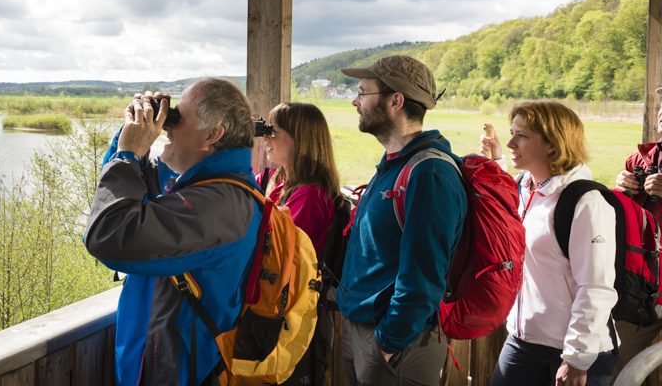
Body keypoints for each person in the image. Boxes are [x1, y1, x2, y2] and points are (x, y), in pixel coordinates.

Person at [84, 78, 261, 386]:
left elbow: (109, 234)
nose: (168, 125)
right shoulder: (206, 187)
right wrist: (130, 137)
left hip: (179, 374)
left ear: (213, 135)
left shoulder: (219, 207)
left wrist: (127, 154)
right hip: (159, 364)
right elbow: (122, 196)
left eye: (178, 117)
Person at [336, 55, 467, 386]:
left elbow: (424, 275)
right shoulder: (395, 164)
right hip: (368, 331)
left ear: (395, 101)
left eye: (363, 92)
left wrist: (387, 343)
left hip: (398, 345)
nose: (355, 101)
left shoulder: (429, 173)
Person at [483, 101, 619, 386]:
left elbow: (595, 286)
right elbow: (505, 207)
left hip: (574, 350)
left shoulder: (586, 203)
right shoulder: (524, 187)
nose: (510, 143)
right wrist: (496, 163)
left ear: (553, 146)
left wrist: (576, 358)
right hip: (523, 340)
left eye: (522, 136)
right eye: (511, 133)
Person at [259, 102, 341, 385]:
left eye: (273, 131)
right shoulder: (281, 182)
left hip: (293, 318)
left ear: (300, 140)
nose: (265, 138)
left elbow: (281, 256)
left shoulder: (309, 196)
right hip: (280, 310)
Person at [612, 87, 662, 377]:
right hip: (644, 288)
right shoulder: (641, 159)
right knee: (614, 364)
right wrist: (622, 189)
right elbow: (627, 220)